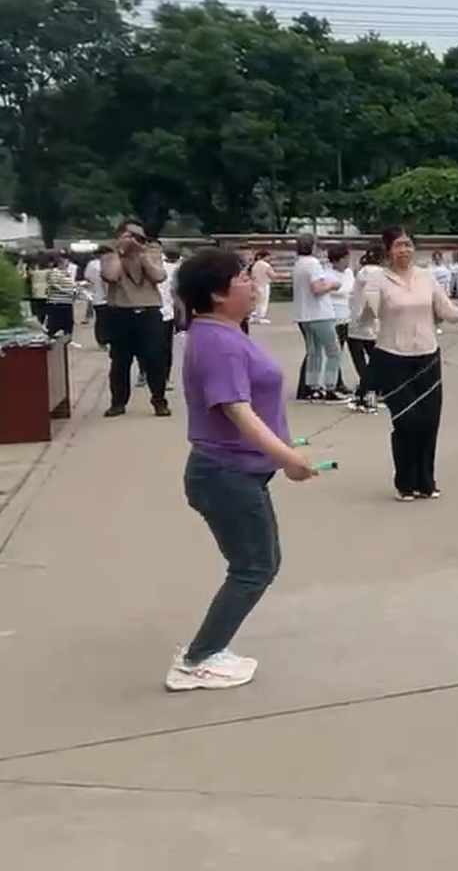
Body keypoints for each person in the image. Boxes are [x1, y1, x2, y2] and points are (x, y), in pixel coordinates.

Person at [166, 246, 317, 691]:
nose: (254, 285)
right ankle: (197, 659)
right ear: (217, 294)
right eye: (245, 278)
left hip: (233, 472)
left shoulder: (223, 332)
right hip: (225, 474)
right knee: (254, 566)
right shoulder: (217, 342)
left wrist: (282, 450)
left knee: (257, 562)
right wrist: (289, 459)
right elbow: (237, 410)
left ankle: (207, 649)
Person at [361, 227, 458, 501]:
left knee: (429, 422)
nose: (404, 250)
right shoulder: (378, 279)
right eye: (398, 245)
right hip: (393, 358)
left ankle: (426, 481)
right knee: (407, 422)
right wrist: (366, 309)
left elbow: (448, 311)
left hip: (427, 358)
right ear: (388, 249)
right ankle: (404, 482)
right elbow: (366, 317)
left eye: (408, 244)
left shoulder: (426, 277)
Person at [99, 219, 175, 418]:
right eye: (131, 236)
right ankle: (118, 403)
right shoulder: (110, 254)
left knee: (155, 358)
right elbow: (111, 276)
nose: (136, 240)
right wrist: (120, 251)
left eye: (140, 237)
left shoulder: (150, 252)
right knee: (120, 361)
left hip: (149, 311)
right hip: (120, 311)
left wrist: (142, 255)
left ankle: (159, 400)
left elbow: (159, 276)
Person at [290, 235, 348, 403]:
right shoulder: (313, 264)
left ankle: (313, 387)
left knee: (313, 352)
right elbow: (316, 288)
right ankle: (330, 387)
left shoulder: (298, 264)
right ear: (313, 247)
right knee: (333, 351)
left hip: (303, 314)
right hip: (320, 313)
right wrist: (333, 285)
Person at [345, 250, 381, 411]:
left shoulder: (362, 273)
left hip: (359, 322)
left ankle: (365, 392)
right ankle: (368, 391)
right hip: (372, 322)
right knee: (375, 360)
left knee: (361, 361)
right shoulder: (380, 274)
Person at [248, 251, 275, 323]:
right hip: (264, 284)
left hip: (255, 284)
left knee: (256, 301)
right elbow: (272, 275)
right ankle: (261, 317)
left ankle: (253, 316)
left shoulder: (254, 265)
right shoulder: (266, 265)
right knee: (263, 301)